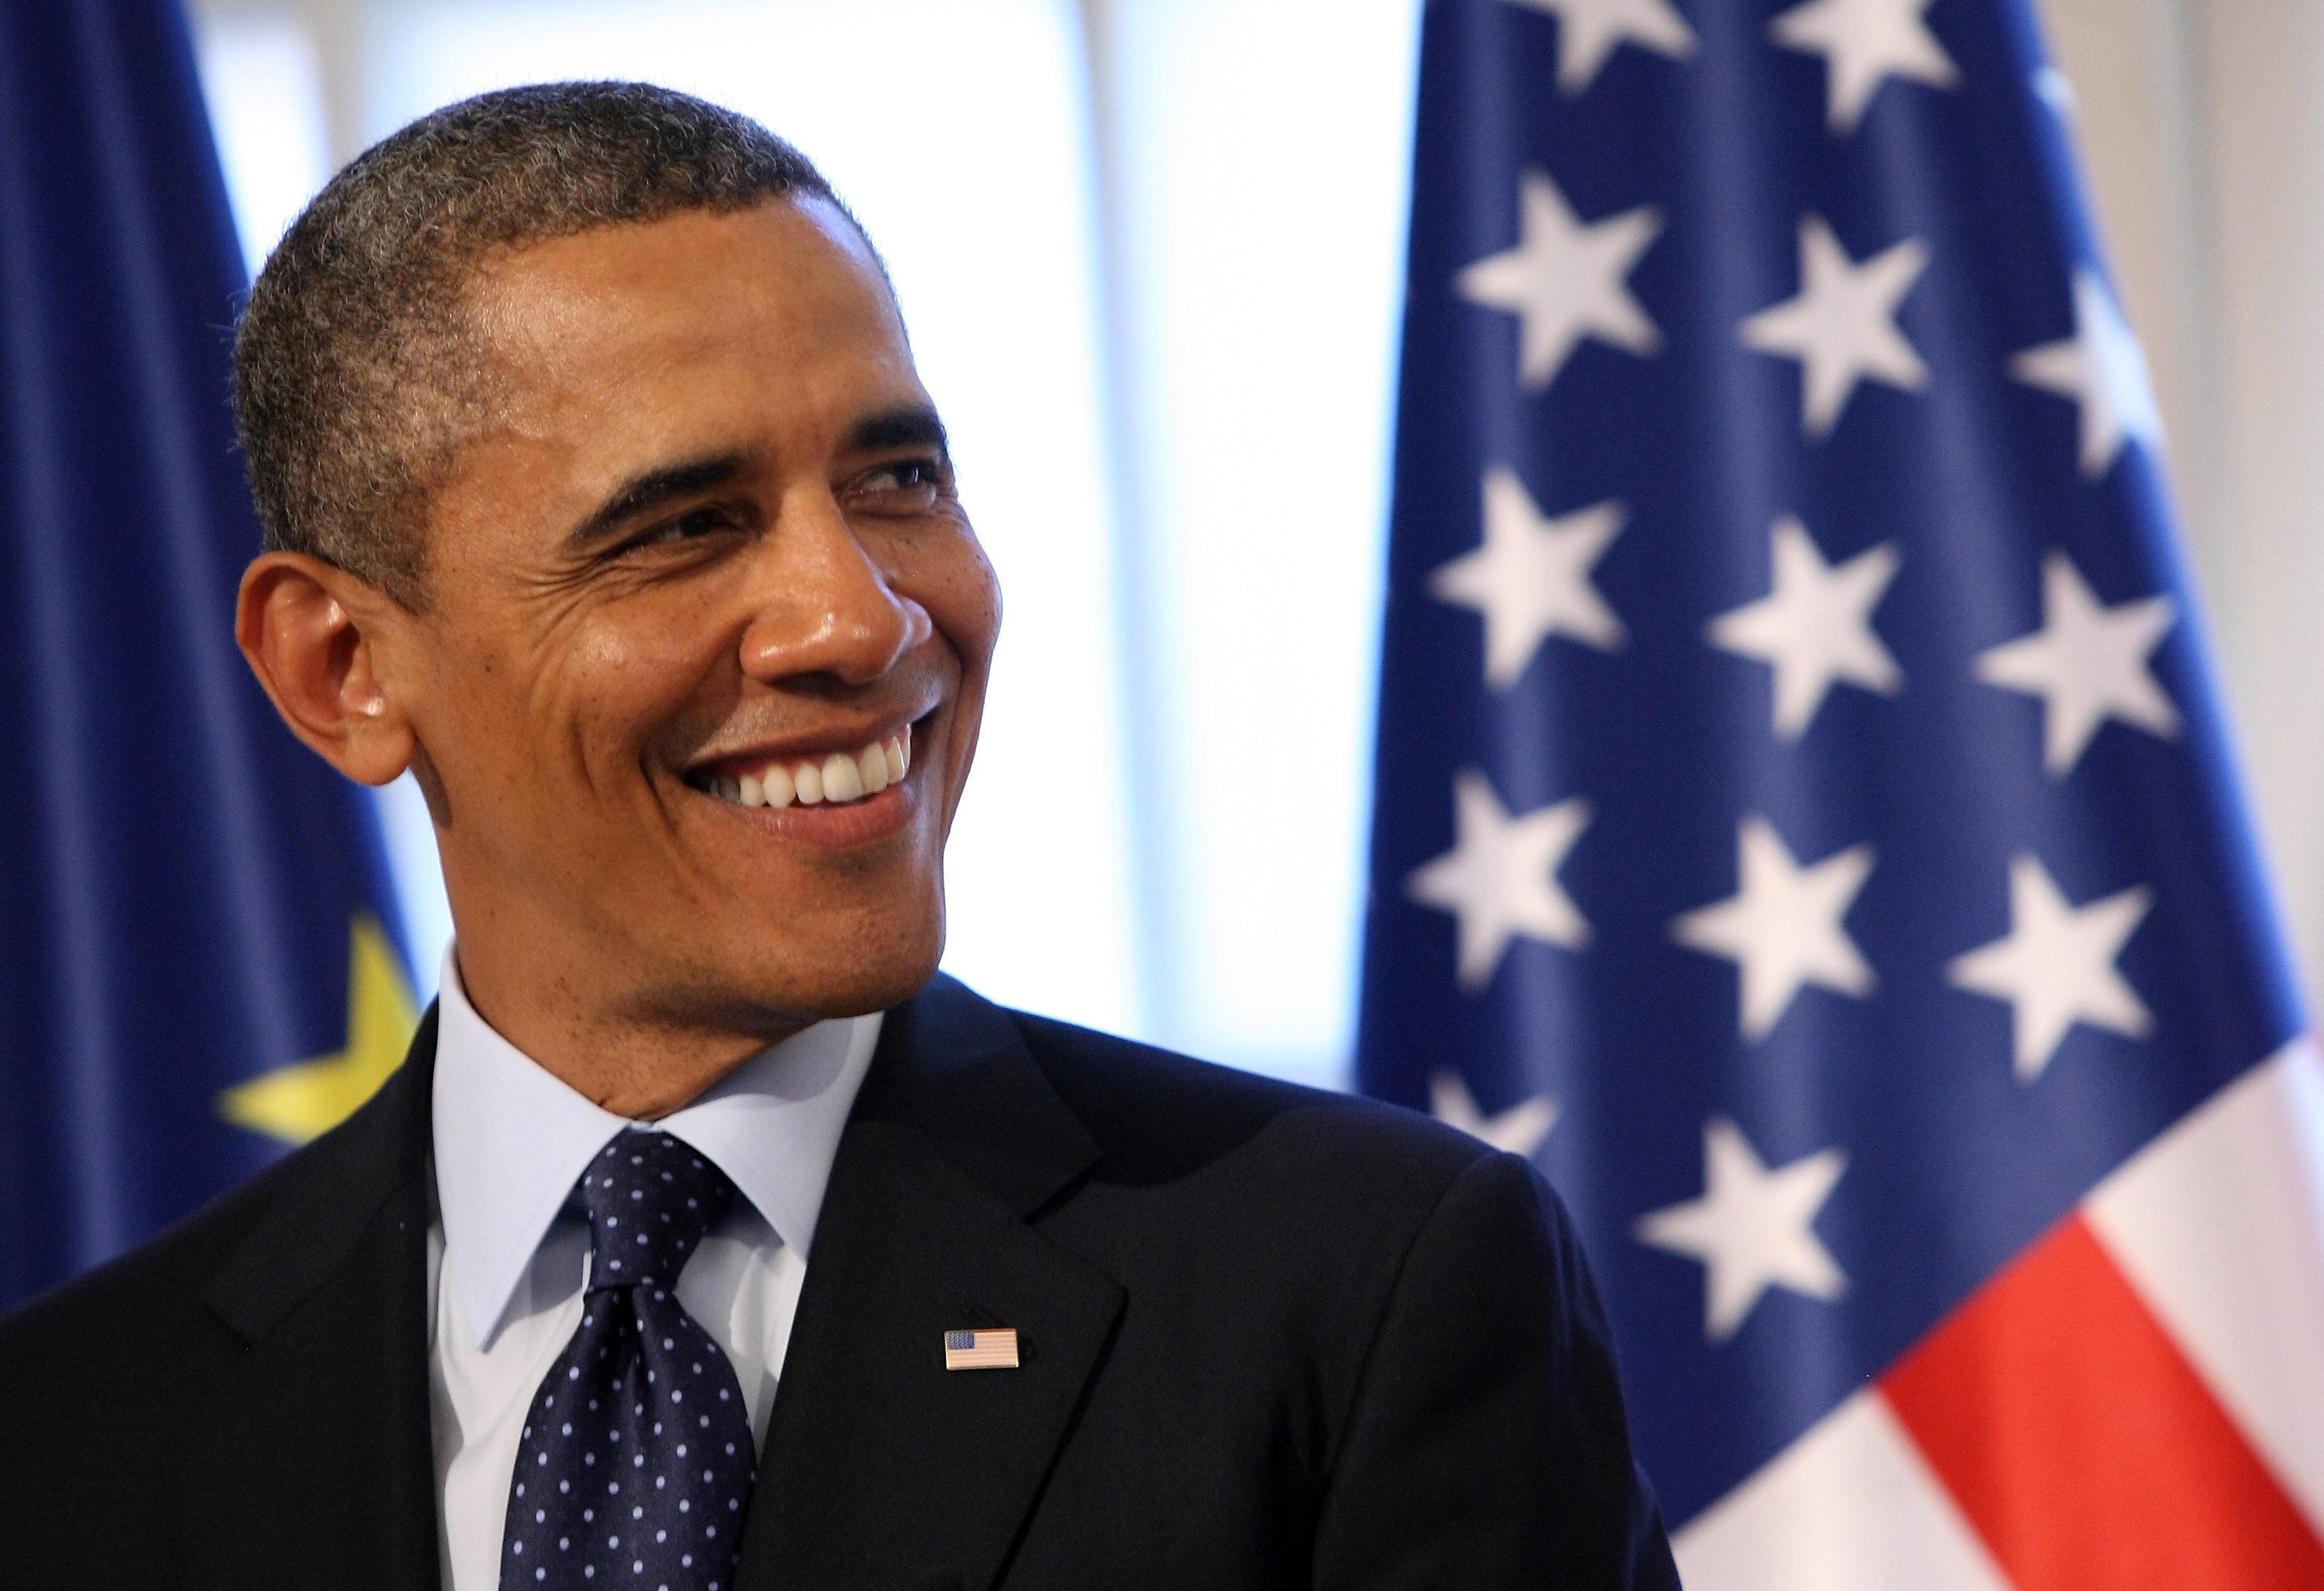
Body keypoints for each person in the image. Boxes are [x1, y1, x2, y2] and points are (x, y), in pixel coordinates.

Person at [0, 83, 1678, 1590]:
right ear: (345, 668)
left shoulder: (1363, 1289)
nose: (858, 618)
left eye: (897, 482)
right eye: (683, 528)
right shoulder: (69, 1430)